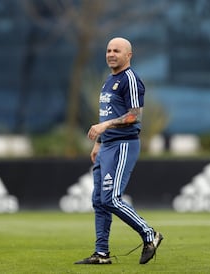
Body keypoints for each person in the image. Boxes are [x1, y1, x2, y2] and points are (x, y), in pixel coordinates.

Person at [75, 37, 163, 265]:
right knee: (99, 201)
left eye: (117, 51)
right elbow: (108, 112)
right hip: (107, 146)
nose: (111, 54)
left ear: (129, 55)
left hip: (124, 144)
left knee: (112, 198)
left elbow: (134, 115)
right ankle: (101, 253)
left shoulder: (130, 79)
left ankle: (149, 234)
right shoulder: (109, 80)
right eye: (108, 50)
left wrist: (104, 127)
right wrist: (99, 142)